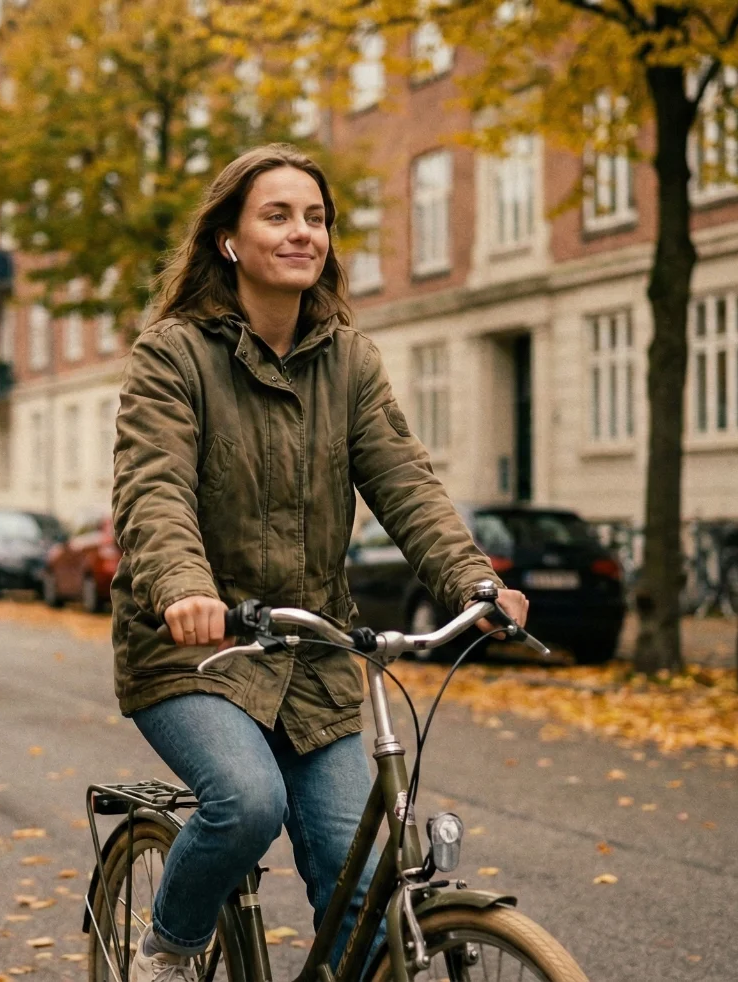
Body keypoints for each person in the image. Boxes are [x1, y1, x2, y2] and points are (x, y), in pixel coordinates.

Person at [111, 143, 529, 982]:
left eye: (316, 218)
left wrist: (473, 583)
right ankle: (171, 946)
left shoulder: (349, 360)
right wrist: (185, 589)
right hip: (200, 651)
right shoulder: (173, 356)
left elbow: (406, 483)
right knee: (246, 803)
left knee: (368, 885)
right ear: (228, 239)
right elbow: (154, 492)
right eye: (278, 215)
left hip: (316, 657)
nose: (303, 232)